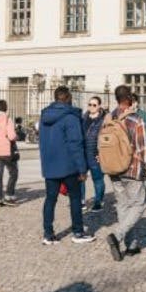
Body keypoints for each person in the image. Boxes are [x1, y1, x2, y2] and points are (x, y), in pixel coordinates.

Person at [105, 85, 146, 262]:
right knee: (139, 204)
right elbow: (144, 148)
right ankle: (117, 236)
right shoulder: (136, 120)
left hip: (113, 169)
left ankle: (131, 245)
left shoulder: (109, 118)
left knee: (124, 206)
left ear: (116, 99)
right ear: (129, 99)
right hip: (132, 169)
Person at [38, 86, 90, 245]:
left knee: (50, 199)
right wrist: (82, 168)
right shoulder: (70, 117)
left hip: (50, 164)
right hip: (69, 165)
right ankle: (78, 232)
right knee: (75, 198)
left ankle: (48, 233)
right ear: (68, 98)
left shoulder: (45, 116)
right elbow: (76, 144)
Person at [81, 96, 107, 211]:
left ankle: (98, 201)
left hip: (95, 153)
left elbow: (107, 138)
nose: (91, 107)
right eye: (89, 104)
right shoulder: (83, 118)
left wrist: (102, 153)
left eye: (94, 105)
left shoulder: (104, 120)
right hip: (82, 152)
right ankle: (81, 201)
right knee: (80, 178)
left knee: (98, 178)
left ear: (99, 106)